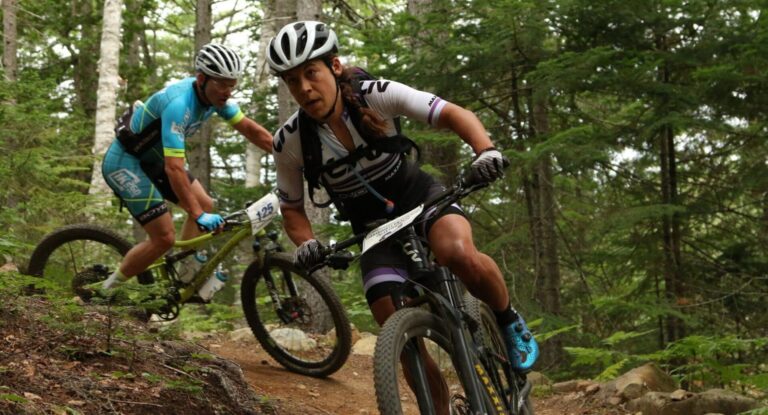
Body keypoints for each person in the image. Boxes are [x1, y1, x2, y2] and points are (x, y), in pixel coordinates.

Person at [267, 21, 538, 411]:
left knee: (457, 253)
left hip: (423, 200)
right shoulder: (290, 141)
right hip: (374, 232)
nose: (305, 88)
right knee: (391, 319)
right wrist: (307, 242)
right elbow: (291, 209)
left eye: (311, 73)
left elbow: (452, 113)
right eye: (293, 81)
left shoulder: (377, 94)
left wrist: (486, 151)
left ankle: (508, 320)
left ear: (335, 67)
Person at [101, 43, 273, 290]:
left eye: (232, 84)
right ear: (202, 79)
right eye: (222, 83)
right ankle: (105, 290)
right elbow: (174, 168)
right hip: (125, 161)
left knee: (205, 203)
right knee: (164, 237)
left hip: (153, 159)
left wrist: (285, 155)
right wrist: (198, 216)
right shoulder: (179, 104)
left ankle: (179, 277)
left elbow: (250, 129)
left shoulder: (215, 100)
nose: (227, 91)